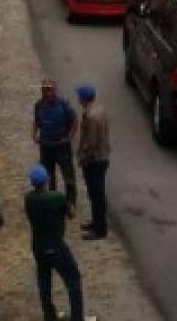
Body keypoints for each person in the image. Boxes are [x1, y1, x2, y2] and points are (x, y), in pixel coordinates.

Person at [25, 164, 85, 321]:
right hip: (56, 246)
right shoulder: (57, 197)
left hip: (38, 246)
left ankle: (49, 315)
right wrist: (69, 203)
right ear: (47, 180)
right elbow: (71, 214)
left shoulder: (29, 199)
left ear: (32, 183)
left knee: (44, 281)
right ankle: (77, 317)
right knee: (73, 278)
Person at [32, 79, 77, 207]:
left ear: (55, 90)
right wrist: (34, 134)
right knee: (48, 176)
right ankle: (52, 200)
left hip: (62, 146)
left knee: (68, 177)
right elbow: (36, 121)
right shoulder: (38, 105)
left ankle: (71, 203)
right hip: (46, 147)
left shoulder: (63, 104)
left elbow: (74, 121)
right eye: (45, 90)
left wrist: (69, 137)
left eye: (50, 89)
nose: (47, 93)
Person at [75, 85, 110, 240]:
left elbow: (91, 143)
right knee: (96, 194)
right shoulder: (100, 110)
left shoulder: (90, 116)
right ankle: (96, 222)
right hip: (103, 156)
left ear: (82, 98)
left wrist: (83, 158)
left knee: (96, 195)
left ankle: (100, 229)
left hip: (94, 160)